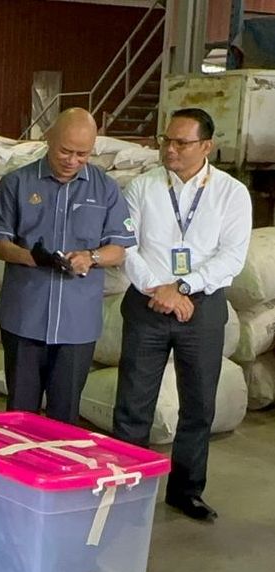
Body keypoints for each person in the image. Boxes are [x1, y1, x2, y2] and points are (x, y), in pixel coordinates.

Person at [113, 107, 251, 522]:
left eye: (181, 143)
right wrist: (161, 289)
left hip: (202, 306)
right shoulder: (142, 187)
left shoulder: (231, 193)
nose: (170, 149)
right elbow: (126, 246)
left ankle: (186, 490)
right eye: (166, 140)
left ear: (206, 146)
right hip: (148, 303)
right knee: (134, 403)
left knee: (198, 405)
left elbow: (233, 256)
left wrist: (184, 287)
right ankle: (127, 491)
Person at [0, 108, 135, 423]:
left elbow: (118, 250)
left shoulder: (105, 189)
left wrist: (90, 257)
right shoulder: (16, 184)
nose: (73, 160)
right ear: (48, 139)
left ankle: (57, 470)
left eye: (83, 154)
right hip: (24, 317)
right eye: (65, 150)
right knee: (20, 412)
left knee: (65, 415)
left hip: (76, 324)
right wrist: (32, 257)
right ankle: (18, 471)